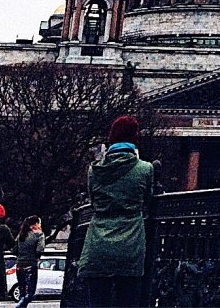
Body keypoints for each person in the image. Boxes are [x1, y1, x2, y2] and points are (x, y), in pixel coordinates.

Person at [76, 115, 154, 308]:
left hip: (98, 246)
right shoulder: (145, 169)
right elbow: (148, 200)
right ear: (135, 137)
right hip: (131, 247)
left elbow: (94, 202)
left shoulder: (94, 170)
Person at [13, 216, 45, 308]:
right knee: (30, 293)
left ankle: (21, 305)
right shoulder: (39, 235)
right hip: (31, 265)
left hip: (19, 265)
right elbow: (40, 249)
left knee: (22, 292)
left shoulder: (21, 235)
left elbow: (14, 249)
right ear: (35, 224)